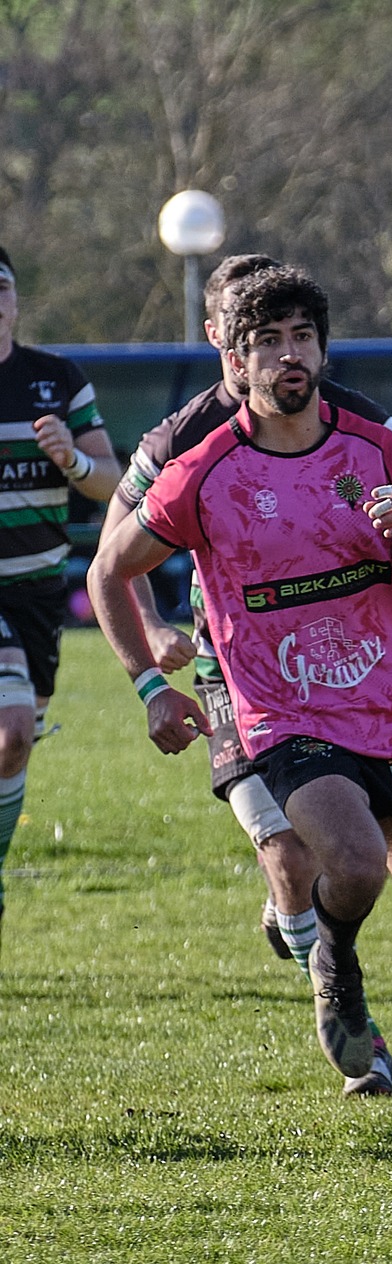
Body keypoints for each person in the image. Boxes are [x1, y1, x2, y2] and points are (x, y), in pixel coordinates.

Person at [87, 266, 392, 1130]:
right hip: (279, 707)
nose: (289, 356)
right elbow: (107, 569)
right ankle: (336, 963)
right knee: (349, 861)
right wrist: (148, 684)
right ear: (235, 362)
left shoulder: (375, 445)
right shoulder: (201, 464)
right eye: (267, 342)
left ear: (321, 347)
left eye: (302, 338)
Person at [0, 244, 119, 946]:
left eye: (4, 287)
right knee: (13, 727)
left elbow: (114, 480)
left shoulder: (56, 380)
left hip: (40, 593)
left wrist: (72, 460)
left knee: (16, 746)